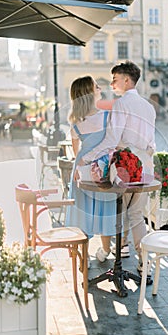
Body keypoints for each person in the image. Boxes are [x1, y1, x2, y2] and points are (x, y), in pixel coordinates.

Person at [79, 61, 156, 276]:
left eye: (115, 79)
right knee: (137, 215)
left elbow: (111, 140)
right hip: (145, 166)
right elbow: (152, 142)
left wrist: (87, 158)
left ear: (126, 80)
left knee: (122, 212)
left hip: (125, 166)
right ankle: (144, 263)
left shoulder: (122, 104)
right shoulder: (148, 106)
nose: (112, 83)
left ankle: (116, 260)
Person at [65, 76, 117, 266]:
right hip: (94, 169)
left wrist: (81, 164)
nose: (100, 87)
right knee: (99, 209)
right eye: (96, 86)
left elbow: (76, 150)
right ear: (88, 92)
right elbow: (109, 143)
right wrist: (84, 165)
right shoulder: (105, 115)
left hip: (85, 168)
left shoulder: (78, 121)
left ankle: (95, 253)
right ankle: (94, 253)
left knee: (90, 211)